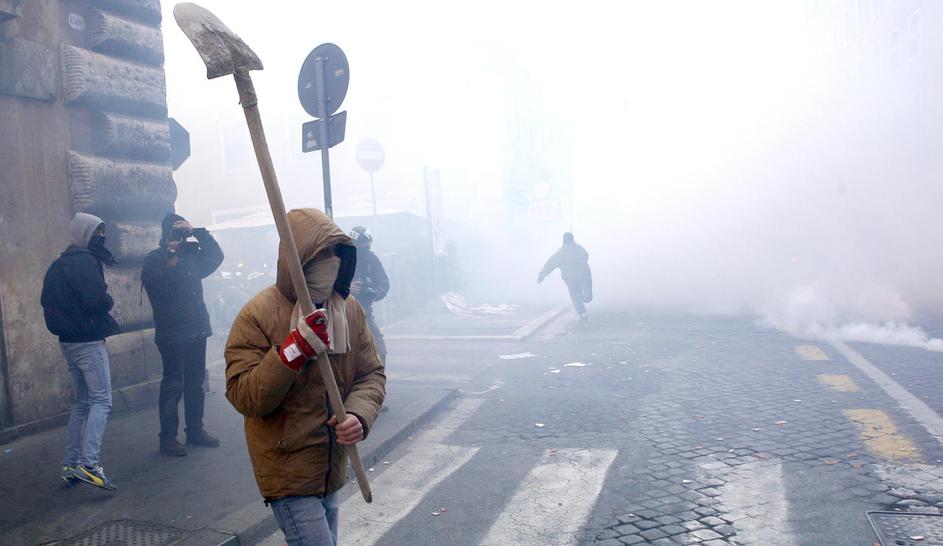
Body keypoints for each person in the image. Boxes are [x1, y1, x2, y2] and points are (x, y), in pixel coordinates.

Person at [225, 208, 385, 546]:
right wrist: (293, 351)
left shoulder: (349, 309)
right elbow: (245, 396)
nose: (331, 262)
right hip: (287, 469)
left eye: (336, 253)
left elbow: (370, 373)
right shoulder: (258, 314)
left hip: (330, 466)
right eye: (320, 254)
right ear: (297, 259)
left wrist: (358, 414)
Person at [41, 212, 120, 491]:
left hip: (69, 342)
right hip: (88, 341)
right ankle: (89, 464)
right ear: (85, 233)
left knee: (82, 403)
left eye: (102, 230)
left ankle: (71, 465)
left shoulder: (58, 264)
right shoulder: (85, 261)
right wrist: (108, 300)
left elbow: (46, 301)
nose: (102, 236)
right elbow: (96, 299)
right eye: (97, 231)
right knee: (102, 401)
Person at [142, 213, 224, 456]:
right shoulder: (155, 259)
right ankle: (168, 439)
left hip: (196, 329)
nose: (180, 238)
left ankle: (195, 430)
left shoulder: (191, 256)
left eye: (182, 232)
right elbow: (158, 287)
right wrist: (173, 254)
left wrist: (197, 231)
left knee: (195, 383)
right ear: (165, 234)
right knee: (173, 385)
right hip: (173, 334)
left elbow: (216, 256)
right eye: (176, 232)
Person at [349, 226, 390, 364]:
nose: (363, 248)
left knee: (380, 352)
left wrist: (372, 293)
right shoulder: (342, 259)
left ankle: (376, 377)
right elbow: (328, 284)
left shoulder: (371, 259)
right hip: (342, 314)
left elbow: (383, 283)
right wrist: (347, 288)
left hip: (364, 313)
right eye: (359, 245)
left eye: (366, 245)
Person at [537, 232, 593, 319]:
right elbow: (586, 256)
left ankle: (582, 312)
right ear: (572, 239)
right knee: (587, 297)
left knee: (575, 294)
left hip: (570, 278)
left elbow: (550, 264)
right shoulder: (579, 248)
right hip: (584, 275)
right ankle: (586, 293)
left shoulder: (561, 253)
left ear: (564, 241)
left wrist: (542, 275)